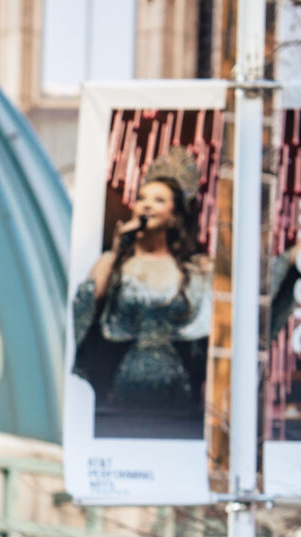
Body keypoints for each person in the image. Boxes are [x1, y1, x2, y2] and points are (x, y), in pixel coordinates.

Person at [70, 150, 212, 440]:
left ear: (174, 215)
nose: (147, 206)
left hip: (178, 388)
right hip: (123, 385)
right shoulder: (113, 262)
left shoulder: (194, 269)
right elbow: (84, 308)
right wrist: (119, 250)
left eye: (159, 200)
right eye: (142, 198)